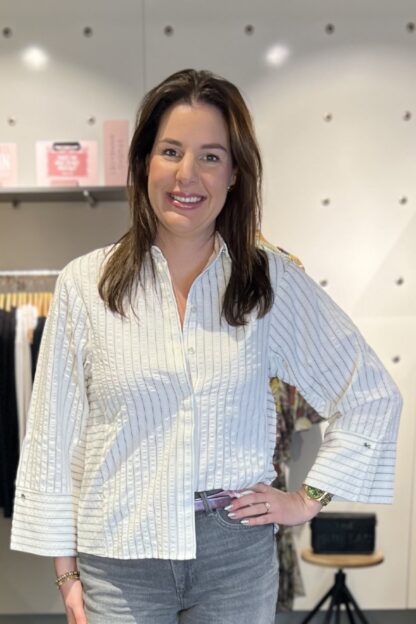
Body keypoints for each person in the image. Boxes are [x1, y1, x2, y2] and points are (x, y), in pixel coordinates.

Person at [11, 69, 402, 624]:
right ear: (144, 161)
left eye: (211, 156)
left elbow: (371, 395)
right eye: (171, 151)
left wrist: (307, 498)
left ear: (235, 173)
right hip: (120, 555)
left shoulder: (268, 281)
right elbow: (54, 436)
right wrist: (65, 570)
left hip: (234, 553)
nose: (186, 175)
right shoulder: (85, 284)